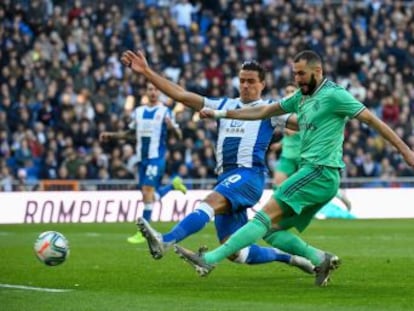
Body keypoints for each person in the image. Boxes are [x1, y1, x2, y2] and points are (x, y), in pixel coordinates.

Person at [173, 50, 414, 286]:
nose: (297, 79)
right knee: (271, 231)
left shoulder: (335, 96)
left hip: (319, 171)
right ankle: (320, 258)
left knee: (262, 218)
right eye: (294, 74)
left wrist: (405, 151)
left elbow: (373, 120)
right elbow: (264, 110)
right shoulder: (301, 97)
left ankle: (209, 259)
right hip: (313, 175)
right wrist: (220, 113)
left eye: (301, 74)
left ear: (317, 71)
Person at [120, 50, 314, 273]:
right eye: (242, 81)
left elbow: (302, 123)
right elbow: (182, 95)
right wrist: (146, 71)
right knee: (234, 251)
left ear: (263, 84)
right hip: (228, 178)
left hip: (249, 175)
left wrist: (315, 110)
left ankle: (166, 239)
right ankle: (290, 258)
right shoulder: (222, 104)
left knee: (210, 201)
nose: (245, 85)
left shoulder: (270, 109)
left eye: (251, 81)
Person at [99, 82, 187, 244]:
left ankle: (144, 232)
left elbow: (179, 135)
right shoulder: (138, 112)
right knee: (148, 196)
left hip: (157, 158)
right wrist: (112, 135)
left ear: (159, 93)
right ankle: (172, 185)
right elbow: (131, 134)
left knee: (147, 191)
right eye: (150, 89)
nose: (153, 92)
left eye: (156, 89)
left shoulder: (165, 112)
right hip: (141, 159)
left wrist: (172, 128)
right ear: (146, 92)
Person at [272, 82, 354, 219]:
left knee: (309, 185)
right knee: (277, 183)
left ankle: (337, 195)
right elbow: (287, 136)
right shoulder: (285, 109)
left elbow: (302, 130)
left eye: (292, 90)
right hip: (287, 155)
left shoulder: (303, 108)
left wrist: (289, 128)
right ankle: (281, 211)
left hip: (301, 155)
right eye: (287, 91)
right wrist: (279, 145)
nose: (289, 93)